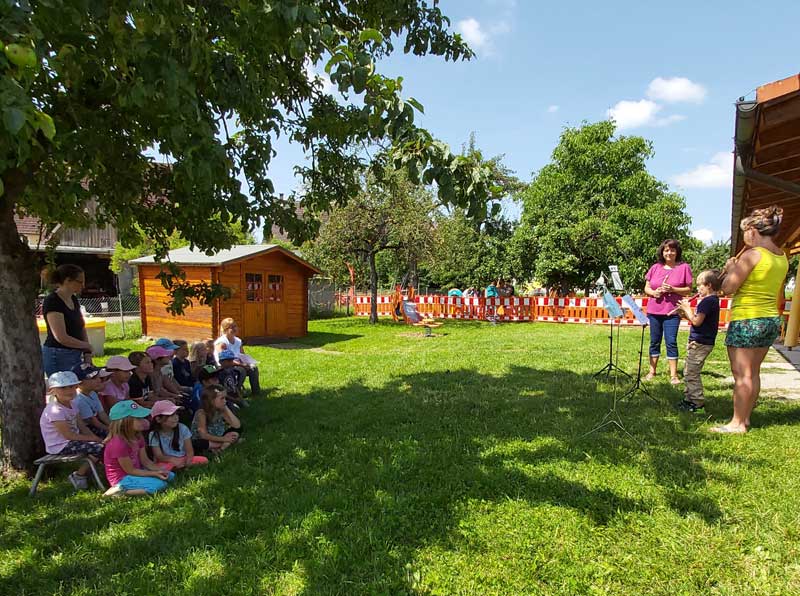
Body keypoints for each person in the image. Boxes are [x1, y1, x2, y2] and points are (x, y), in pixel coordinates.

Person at [714, 206, 789, 434]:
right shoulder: (781, 256)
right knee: (752, 372)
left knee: (741, 374)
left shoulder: (752, 255)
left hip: (747, 318)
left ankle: (737, 423)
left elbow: (727, 288)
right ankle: (745, 418)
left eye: (744, 231)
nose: (744, 237)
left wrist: (730, 269)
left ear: (752, 230)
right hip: (769, 320)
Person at [39, 371, 105, 490]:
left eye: (71, 387)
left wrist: (95, 438)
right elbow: (68, 435)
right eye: (63, 388)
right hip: (60, 445)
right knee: (99, 448)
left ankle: (95, 473)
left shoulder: (73, 404)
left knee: (105, 440)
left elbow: (82, 427)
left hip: (72, 440)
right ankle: (79, 475)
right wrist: (94, 439)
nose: (68, 391)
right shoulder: (55, 410)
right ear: (53, 391)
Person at [644, 239, 693, 384]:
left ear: (677, 252)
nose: (669, 253)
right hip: (654, 310)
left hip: (672, 311)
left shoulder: (684, 267)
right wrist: (654, 293)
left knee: (671, 341)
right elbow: (646, 287)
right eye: (666, 250)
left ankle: (674, 375)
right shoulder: (655, 267)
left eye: (672, 250)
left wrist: (673, 289)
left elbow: (689, 289)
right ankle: (652, 371)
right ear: (662, 252)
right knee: (654, 341)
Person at [103, 400, 175, 497]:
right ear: (125, 422)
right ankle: (117, 492)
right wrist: (154, 474)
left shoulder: (138, 436)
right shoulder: (118, 443)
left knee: (170, 476)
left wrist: (159, 470)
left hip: (136, 472)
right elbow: (130, 470)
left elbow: (145, 461)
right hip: (123, 478)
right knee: (158, 485)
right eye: (139, 418)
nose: (143, 421)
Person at [676, 270, 722, 412]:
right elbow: (699, 320)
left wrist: (687, 308)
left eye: (700, 286)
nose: (698, 289)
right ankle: (688, 399)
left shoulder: (707, 302)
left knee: (691, 372)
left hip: (700, 342)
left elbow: (696, 321)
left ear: (708, 285)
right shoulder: (713, 301)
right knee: (688, 370)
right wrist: (684, 314)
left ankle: (697, 402)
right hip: (702, 341)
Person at [41, 264, 93, 376]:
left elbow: (81, 327)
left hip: (75, 353)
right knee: (65, 391)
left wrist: (87, 352)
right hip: (57, 354)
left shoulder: (73, 299)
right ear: (67, 280)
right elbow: (61, 337)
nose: (83, 286)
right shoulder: (53, 301)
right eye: (80, 282)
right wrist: (85, 345)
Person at [147, 401, 208, 469]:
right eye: (171, 415)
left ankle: (178, 467)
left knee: (204, 460)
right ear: (158, 419)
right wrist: (172, 460)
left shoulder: (183, 429)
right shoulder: (153, 434)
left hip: (183, 458)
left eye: (176, 414)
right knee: (161, 467)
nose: (176, 417)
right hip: (166, 460)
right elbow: (159, 455)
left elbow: (189, 451)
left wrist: (188, 462)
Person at [214, 318, 261, 394]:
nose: (235, 329)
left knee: (253, 368)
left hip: (238, 363)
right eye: (232, 327)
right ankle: (236, 391)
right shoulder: (222, 342)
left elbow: (242, 355)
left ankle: (256, 392)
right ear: (226, 329)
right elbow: (225, 360)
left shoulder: (238, 341)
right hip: (225, 365)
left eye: (235, 326)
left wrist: (247, 363)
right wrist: (242, 365)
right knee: (241, 370)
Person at [191, 386, 242, 453]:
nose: (225, 401)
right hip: (205, 439)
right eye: (222, 398)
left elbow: (237, 426)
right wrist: (223, 439)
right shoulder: (201, 413)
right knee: (200, 443)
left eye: (225, 398)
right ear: (211, 400)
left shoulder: (221, 410)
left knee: (235, 432)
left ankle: (220, 448)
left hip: (218, 436)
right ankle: (224, 445)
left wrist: (226, 408)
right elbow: (203, 435)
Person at [72, 363, 113, 437]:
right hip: (87, 428)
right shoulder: (79, 400)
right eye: (93, 378)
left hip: (96, 423)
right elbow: (94, 423)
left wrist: (115, 427)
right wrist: (113, 430)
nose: (99, 380)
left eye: (98, 377)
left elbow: (102, 415)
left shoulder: (92, 393)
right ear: (79, 383)